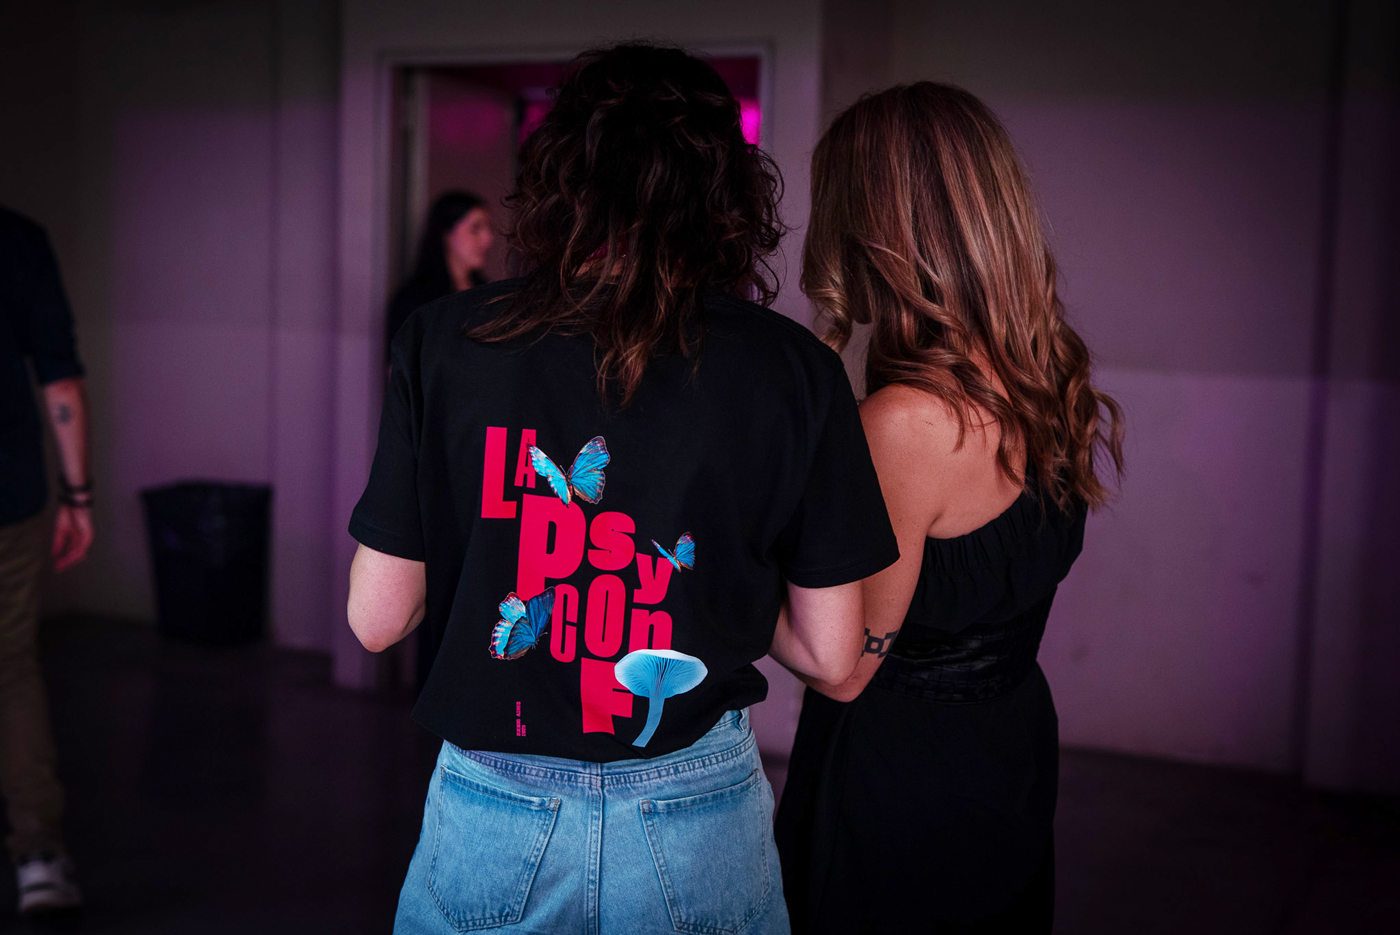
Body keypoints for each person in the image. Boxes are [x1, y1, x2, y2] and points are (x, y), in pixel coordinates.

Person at [346, 43, 898, 934]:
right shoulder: (795, 369)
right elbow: (835, 659)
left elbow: (377, 618)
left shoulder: (442, 340)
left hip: (494, 808)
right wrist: (704, 578)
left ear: (560, 177)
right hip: (698, 815)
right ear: (727, 196)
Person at [773, 83, 1125, 933]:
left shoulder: (905, 421)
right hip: (1006, 748)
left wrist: (708, 571)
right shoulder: (1049, 377)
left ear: (874, 232)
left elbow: (844, 666)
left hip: (901, 778)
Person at [0, 206, 94, 915]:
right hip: (9, 492)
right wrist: (78, 495)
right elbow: (58, 379)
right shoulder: (17, 239)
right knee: (10, 668)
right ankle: (38, 856)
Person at [384, 190, 494, 361]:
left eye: (488, 229)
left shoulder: (487, 295)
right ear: (447, 233)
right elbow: (398, 368)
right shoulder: (414, 299)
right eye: (475, 229)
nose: (488, 239)